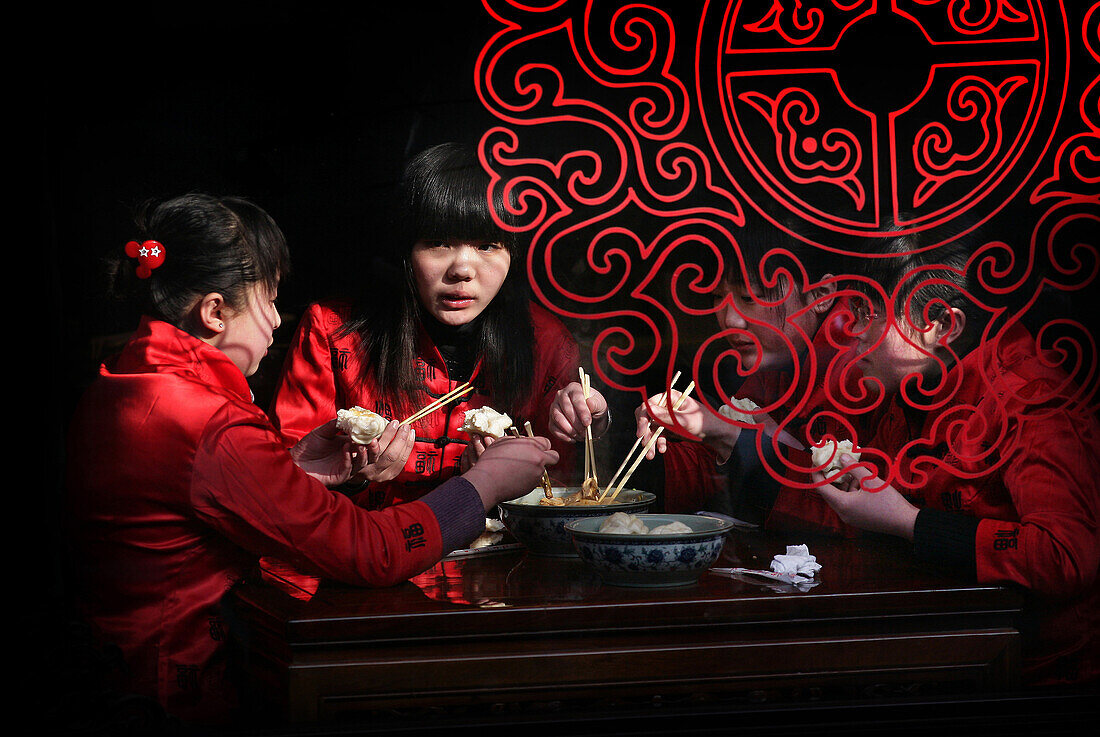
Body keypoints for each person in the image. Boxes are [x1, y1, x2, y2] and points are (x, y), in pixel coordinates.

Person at [63, 193, 560, 723]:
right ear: (213, 312)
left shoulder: (123, 380)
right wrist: (483, 485)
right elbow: (370, 551)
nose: (278, 321)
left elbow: (190, 499)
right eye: (270, 299)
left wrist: (294, 468)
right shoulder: (206, 418)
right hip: (170, 692)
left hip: (114, 663)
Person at [813, 228, 1099, 686]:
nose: (849, 328)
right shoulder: (911, 388)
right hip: (943, 657)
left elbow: (1066, 555)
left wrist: (908, 521)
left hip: (1040, 680)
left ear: (942, 325)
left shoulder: (1028, 399)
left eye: (870, 311)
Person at [270, 142, 578, 508]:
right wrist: (350, 480)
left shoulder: (544, 341)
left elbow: (561, 490)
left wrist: (500, 486)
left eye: (488, 246)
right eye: (437, 243)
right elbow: (283, 482)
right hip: (361, 551)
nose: (462, 269)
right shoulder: (334, 330)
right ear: (405, 251)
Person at [551, 224, 864, 531]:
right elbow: (699, 476)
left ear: (821, 295)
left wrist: (726, 433)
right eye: (718, 297)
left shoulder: (862, 376)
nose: (729, 319)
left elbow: (855, 513)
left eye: (750, 298)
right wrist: (603, 421)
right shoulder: (772, 374)